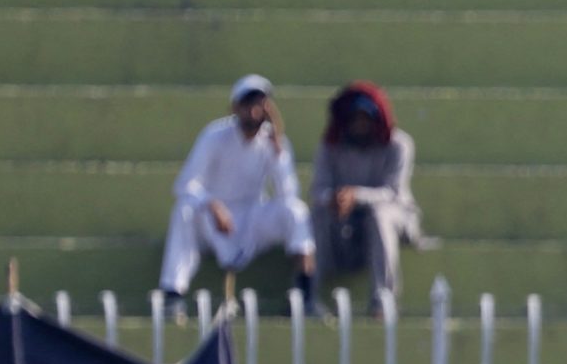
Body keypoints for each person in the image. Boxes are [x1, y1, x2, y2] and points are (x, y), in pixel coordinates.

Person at [159, 74, 315, 312]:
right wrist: (212, 204)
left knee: (296, 211)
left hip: (251, 220)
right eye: (247, 104)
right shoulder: (214, 136)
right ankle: (173, 293)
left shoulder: (275, 144)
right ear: (235, 107)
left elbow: (288, 195)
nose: (253, 111)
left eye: (259, 104)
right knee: (184, 209)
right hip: (214, 221)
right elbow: (184, 184)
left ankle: (306, 294)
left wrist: (278, 153)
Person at [309, 80, 421, 315]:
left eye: (365, 118)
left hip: (393, 214)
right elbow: (318, 190)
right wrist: (335, 198)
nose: (360, 124)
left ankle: (383, 300)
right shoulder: (330, 146)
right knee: (316, 215)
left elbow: (393, 192)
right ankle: (308, 296)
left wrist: (356, 196)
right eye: (355, 118)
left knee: (379, 215)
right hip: (343, 219)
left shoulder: (399, 145)